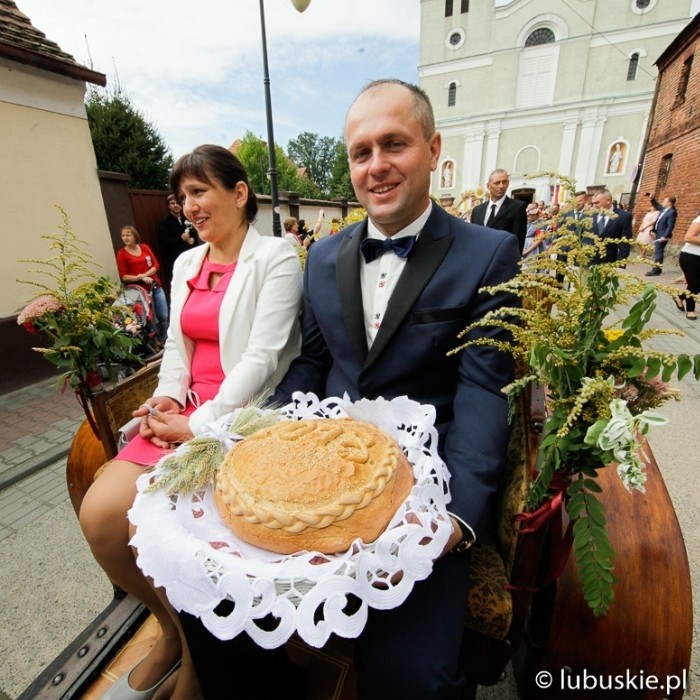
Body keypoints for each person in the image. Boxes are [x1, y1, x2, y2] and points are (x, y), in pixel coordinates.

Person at [177, 79, 520, 699]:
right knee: (211, 612)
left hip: (419, 491)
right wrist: (255, 443)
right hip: (315, 475)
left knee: (413, 676)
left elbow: (483, 392)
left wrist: (460, 518)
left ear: (433, 147)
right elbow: (308, 366)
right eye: (362, 152)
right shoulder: (326, 255)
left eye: (395, 144)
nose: (377, 165)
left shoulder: (490, 254)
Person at [80, 145, 302, 700]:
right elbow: (176, 351)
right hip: (186, 411)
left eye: (200, 192)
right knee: (101, 517)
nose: (189, 207)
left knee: (150, 528)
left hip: (239, 418)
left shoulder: (275, 257)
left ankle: (202, 664)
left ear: (240, 193)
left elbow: (263, 357)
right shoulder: (184, 263)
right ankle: (174, 631)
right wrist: (163, 402)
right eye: (183, 197)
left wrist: (198, 423)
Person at [115, 225, 169, 340]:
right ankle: (155, 341)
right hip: (138, 292)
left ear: (134, 236)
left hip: (155, 286)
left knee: (163, 315)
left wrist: (145, 275)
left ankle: (165, 338)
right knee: (147, 318)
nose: (125, 238)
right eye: (123, 236)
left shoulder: (144, 247)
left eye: (128, 235)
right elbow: (124, 277)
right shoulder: (122, 254)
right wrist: (140, 278)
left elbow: (156, 265)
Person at [470, 168, 527, 249]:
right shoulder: (477, 210)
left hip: (502, 259)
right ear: (488, 186)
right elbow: (473, 237)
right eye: (497, 183)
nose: (501, 186)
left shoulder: (517, 208)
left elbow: (518, 241)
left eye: (504, 182)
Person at [157, 193, 201, 295]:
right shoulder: (165, 222)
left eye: (177, 203)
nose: (176, 205)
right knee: (182, 284)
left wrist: (193, 240)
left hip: (192, 256)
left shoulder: (187, 219)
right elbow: (163, 240)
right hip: (176, 258)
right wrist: (179, 238)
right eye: (172, 203)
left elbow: (195, 233)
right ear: (169, 206)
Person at [590, 189, 633, 265]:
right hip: (589, 262)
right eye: (593, 203)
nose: (594, 206)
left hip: (609, 263)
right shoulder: (590, 215)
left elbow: (625, 244)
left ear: (608, 201)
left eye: (597, 203)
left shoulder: (623, 216)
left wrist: (620, 265)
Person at [645, 194, 677, 276]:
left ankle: (655, 270)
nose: (662, 202)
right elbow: (657, 205)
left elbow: (670, 225)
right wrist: (652, 199)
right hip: (658, 233)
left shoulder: (672, 212)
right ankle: (658, 269)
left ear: (669, 203)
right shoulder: (664, 210)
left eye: (664, 201)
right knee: (658, 251)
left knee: (658, 252)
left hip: (662, 235)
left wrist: (665, 236)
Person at [676, 213, 700, 320]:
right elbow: (689, 237)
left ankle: (680, 297)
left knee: (697, 284)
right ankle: (690, 310)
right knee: (694, 284)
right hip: (691, 256)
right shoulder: (699, 220)